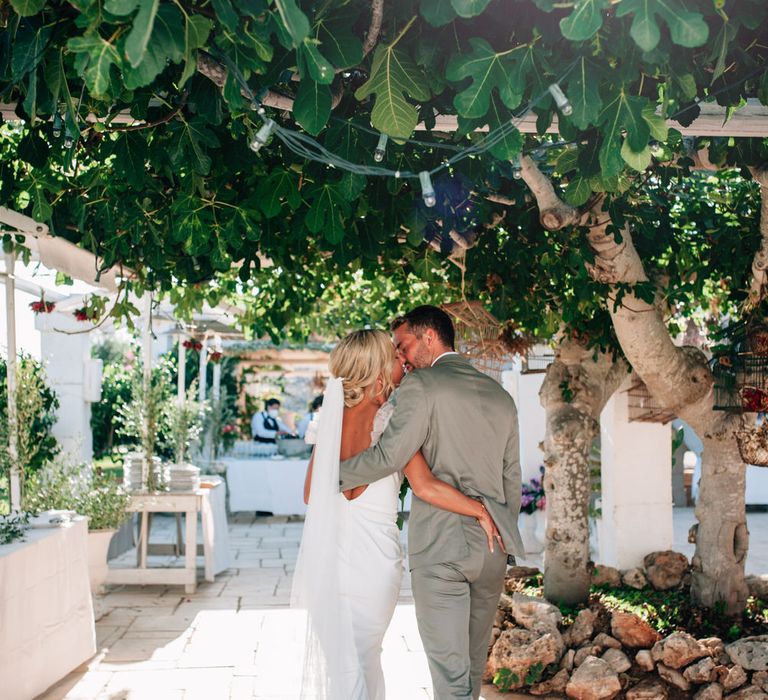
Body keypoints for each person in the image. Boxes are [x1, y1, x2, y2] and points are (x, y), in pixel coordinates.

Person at [291, 329, 503, 700]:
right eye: (392, 357)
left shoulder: (330, 421)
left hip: (327, 562)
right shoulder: (392, 421)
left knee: (348, 664)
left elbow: (311, 493)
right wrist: (479, 510)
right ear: (376, 372)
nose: (401, 360)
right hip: (375, 565)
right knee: (366, 657)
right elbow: (424, 486)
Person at [339, 306, 524, 700]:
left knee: (450, 678)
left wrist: (330, 479)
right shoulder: (501, 396)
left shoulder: (421, 387)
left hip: (442, 549)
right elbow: (512, 481)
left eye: (403, 345)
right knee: (472, 674)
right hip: (493, 549)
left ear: (428, 337)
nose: (401, 356)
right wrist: (502, 531)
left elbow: (389, 456)